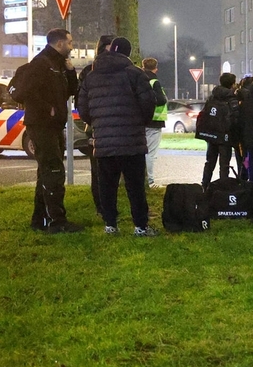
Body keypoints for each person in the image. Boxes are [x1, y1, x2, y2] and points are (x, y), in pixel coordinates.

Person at [77, 37, 158, 236]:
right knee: (135, 186)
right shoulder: (135, 74)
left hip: (103, 141)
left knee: (107, 185)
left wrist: (99, 123)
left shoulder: (92, 76)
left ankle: (110, 225)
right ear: (128, 53)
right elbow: (149, 104)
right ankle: (140, 226)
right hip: (131, 140)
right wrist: (140, 121)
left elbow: (83, 109)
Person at [13, 27, 83, 234]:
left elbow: (71, 91)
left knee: (47, 171)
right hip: (42, 124)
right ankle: (56, 221)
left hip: (53, 125)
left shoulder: (58, 65)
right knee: (53, 171)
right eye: (69, 43)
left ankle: (40, 219)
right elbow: (24, 93)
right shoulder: (41, 64)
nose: (71, 47)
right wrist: (47, 108)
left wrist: (70, 72)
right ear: (59, 43)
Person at [79, 33, 115, 217]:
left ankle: (108, 208)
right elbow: (82, 103)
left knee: (110, 172)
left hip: (109, 127)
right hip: (98, 129)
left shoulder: (90, 71)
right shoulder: (90, 71)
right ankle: (102, 208)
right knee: (99, 172)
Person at [201, 72, 241, 189]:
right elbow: (235, 117)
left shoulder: (212, 96)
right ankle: (223, 187)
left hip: (212, 133)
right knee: (224, 164)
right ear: (232, 84)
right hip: (225, 134)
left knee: (210, 161)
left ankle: (205, 184)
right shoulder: (231, 98)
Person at [141, 57, 168, 186]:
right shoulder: (154, 81)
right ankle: (150, 182)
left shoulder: (139, 79)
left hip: (142, 121)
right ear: (155, 68)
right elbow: (161, 100)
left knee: (141, 152)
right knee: (150, 153)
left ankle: (142, 180)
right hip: (154, 121)